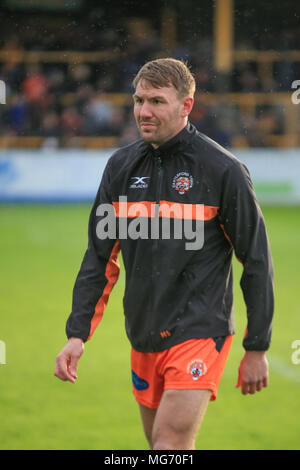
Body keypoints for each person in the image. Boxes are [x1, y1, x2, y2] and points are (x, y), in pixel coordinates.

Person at [54, 58, 274, 450]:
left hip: (200, 329)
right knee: (160, 443)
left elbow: (256, 260)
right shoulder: (120, 167)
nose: (143, 111)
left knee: (168, 444)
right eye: (139, 101)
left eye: (156, 101)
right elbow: (100, 258)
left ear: (186, 106)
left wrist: (256, 346)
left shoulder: (223, 171)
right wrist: (77, 334)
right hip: (143, 332)